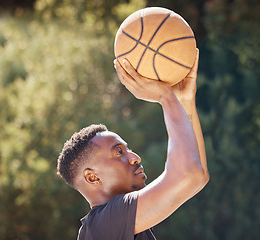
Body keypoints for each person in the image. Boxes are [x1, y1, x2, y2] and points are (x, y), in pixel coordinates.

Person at [57, 49, 209, 240]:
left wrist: (184, 102)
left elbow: (198, 175)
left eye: (127, 149)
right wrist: (165, 95)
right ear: (92, 177)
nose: (135, 157)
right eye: (119, 152)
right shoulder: (102, 225)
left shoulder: (115, 225)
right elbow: (190, 174)